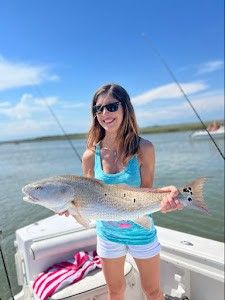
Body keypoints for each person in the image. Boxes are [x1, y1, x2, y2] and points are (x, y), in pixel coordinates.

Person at [61, 83, 183, 300]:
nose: (105, 113)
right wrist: (69, 207)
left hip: (141, 232)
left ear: (125, 108)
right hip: (108, 236)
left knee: (153, 292)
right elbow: (87, 200)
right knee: (115, 292)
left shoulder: (144, 148)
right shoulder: (90, 156)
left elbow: (146, 191)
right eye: (98, 109)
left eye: (111, 106)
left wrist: (165, 197)